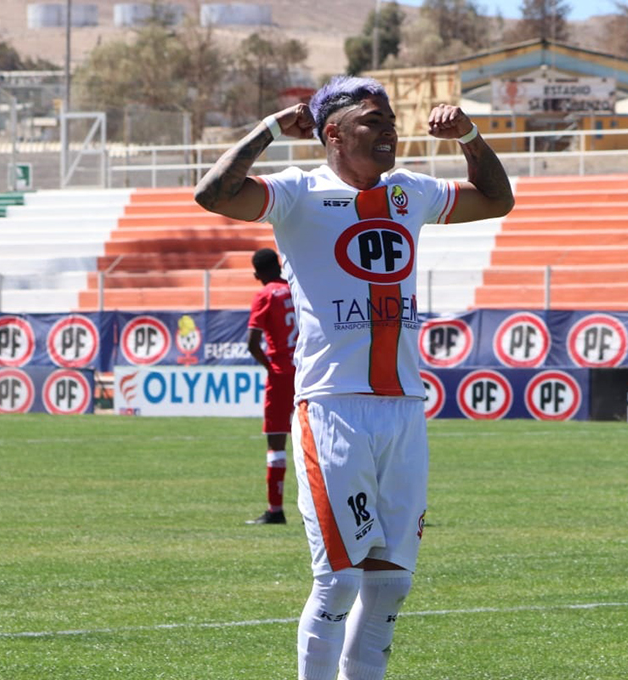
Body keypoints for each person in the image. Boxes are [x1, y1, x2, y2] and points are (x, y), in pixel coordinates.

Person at [195, 75, 513, 680]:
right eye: (374, 120)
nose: (390, 128)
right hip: (332, 407)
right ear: (334, 133)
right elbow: (212, 195)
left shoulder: (411, 191)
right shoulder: (296, 193)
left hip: (403, 408)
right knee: (339, 579)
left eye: (391, 118)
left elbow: (496, 200)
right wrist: (267, 129)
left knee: (391, 585)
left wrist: (470, 135)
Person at [245, 247, 297, 525]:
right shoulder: (296, 290)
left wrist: (269, 367)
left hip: (280, 374)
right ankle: (320, 510)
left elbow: (252, 343)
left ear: (257, 274)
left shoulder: (264, 295)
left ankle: (275, 510)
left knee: (276, 443)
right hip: (307, 372)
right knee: (314, 441)